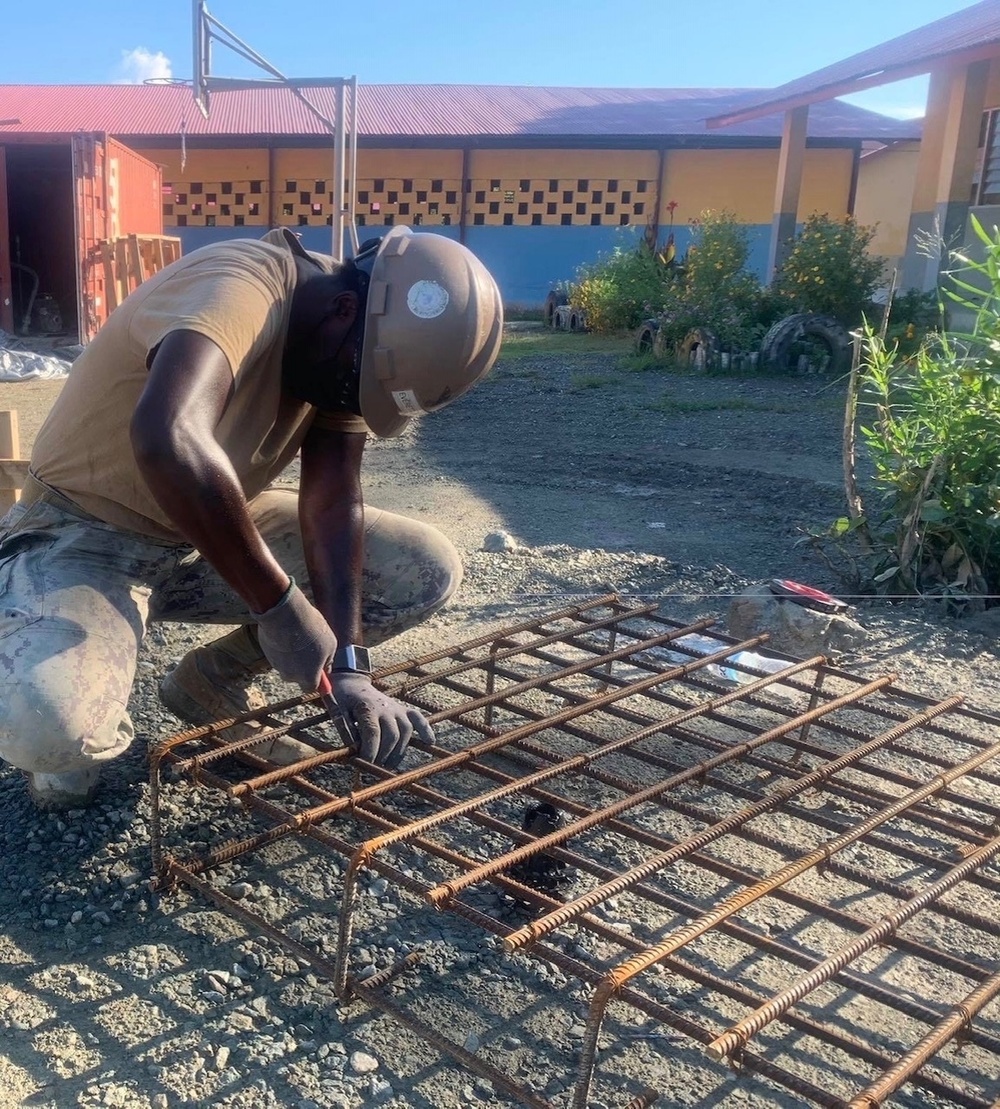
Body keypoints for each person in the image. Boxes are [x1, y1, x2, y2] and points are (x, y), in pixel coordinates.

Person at [0, 226, 503, 810]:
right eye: (355, 388)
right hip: (82, 531)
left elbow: (334, 498)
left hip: (209, 527)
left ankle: (209, 682)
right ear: (343, 310)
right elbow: (168, 437)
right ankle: (50, 683)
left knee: (423, 568)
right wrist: (281, 606)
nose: (351, 403)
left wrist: (348, 663)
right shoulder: (241, 284)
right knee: (47, 724)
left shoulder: (349, 348)